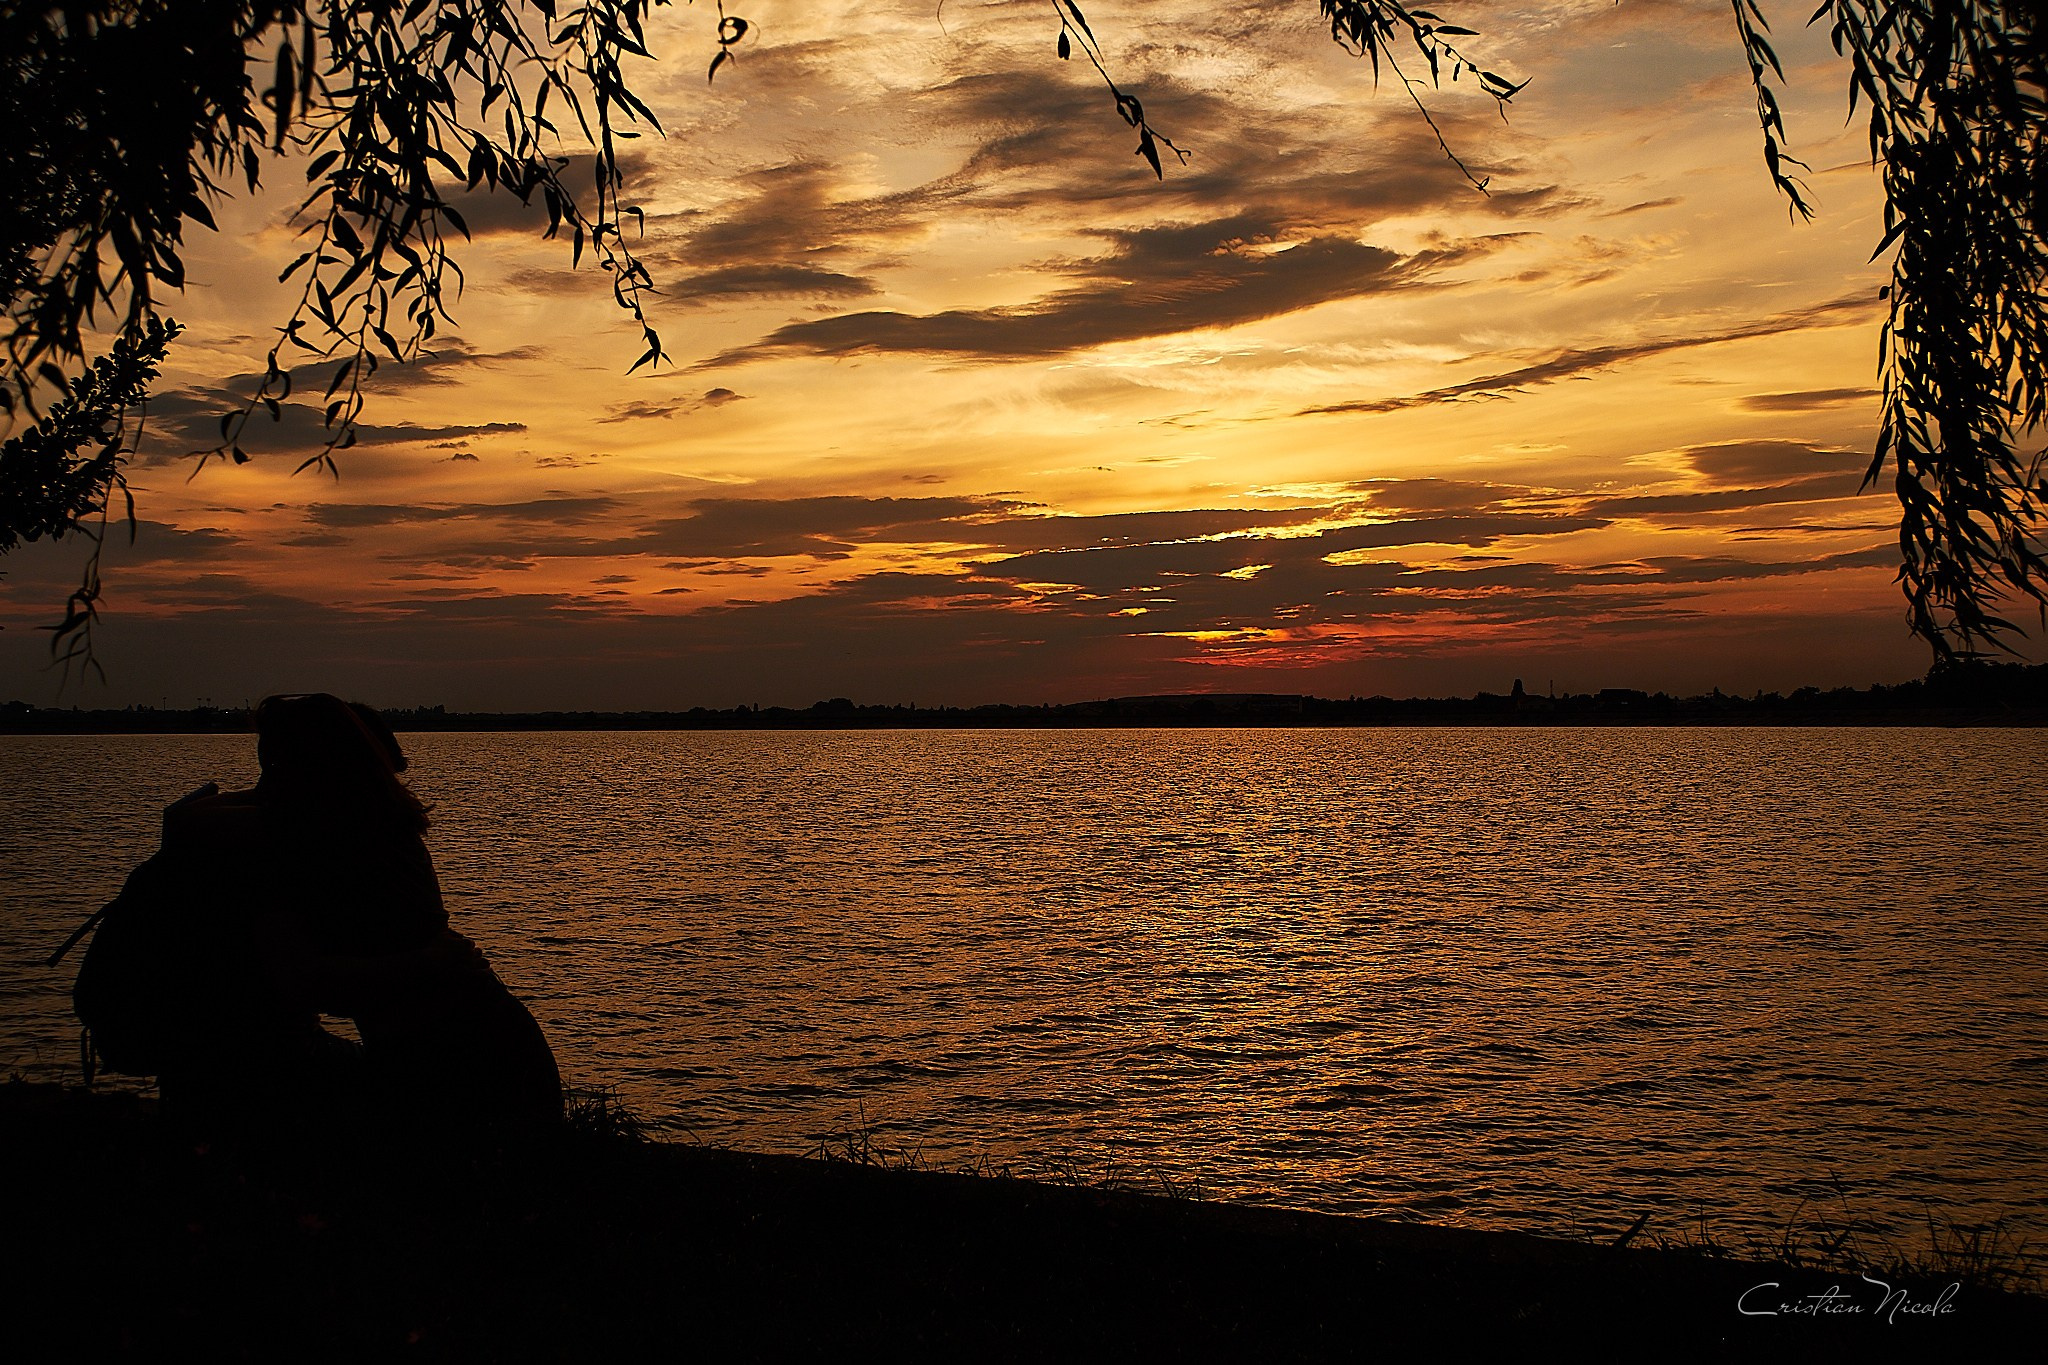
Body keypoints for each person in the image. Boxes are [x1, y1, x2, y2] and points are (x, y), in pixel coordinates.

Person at [244, 693, 564, 1135]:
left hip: (453, 1055)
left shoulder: (325, 846)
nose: (265, 782)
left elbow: (307, 982)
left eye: (274, 765)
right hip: (470, 1042)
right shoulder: (375, 826)